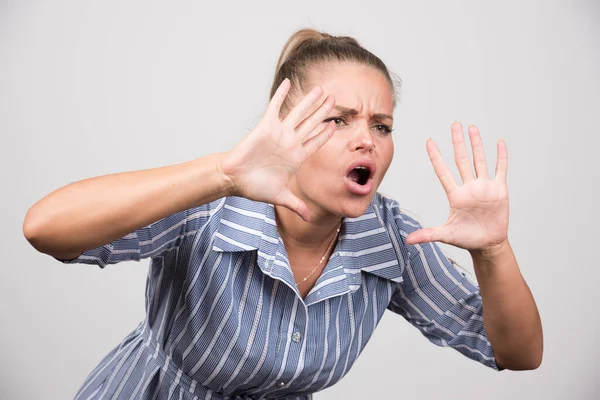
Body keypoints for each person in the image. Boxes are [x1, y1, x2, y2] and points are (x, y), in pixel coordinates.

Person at [23, 28, 543, 400]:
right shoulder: (214, 206)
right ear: (289, 123)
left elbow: (518, 353)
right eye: (339, 119)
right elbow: (45, 229)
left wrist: (492, 251)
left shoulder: (389, 240)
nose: (367, 138)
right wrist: (223, 174)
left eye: (381, 126)